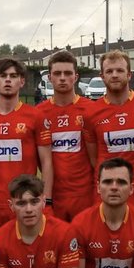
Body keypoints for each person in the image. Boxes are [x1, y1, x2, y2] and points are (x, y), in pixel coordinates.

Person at [0, 58, 52, 231]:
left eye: (13, 76)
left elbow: (46, 163)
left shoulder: (35, 116)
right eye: (3, 75)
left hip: (26, 203)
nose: (8, 80)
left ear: (21, 82)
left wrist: (47, 199)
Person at [86, 51, 134, 224]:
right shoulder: (91, 112)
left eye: (119, 70)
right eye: (109, 71)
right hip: (108, 191)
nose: (115, 75)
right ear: (102, 76)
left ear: (129, 74)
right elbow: (94, 158)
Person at [36, 50, 97, 221]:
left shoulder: (91, 110)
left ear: (76, 77)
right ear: (49, 77)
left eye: (68, 73)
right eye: (57, 73)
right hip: (53, 195)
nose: (62, 78)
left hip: (85, 194)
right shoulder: (39, 114)